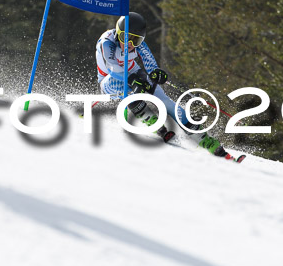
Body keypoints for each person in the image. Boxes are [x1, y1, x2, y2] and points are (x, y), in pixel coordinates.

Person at [95, 12, 229, 157]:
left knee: (165, 100)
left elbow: (150, 64)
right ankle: (151, 121)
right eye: (125, 38)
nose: (130, 44)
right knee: (130, 89)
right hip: (108, 80)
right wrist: (132, 80)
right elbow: (112, 68)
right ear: (118, 33)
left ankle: (204, 139)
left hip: (132, 71)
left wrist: (156, 74)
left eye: (136, 40)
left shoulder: (140, 46)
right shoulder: (107, 42)